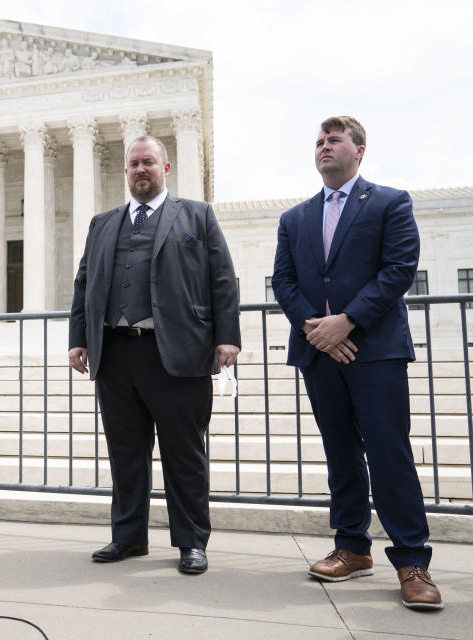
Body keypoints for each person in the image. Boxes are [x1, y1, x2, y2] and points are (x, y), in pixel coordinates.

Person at [271, 116, 442, 610]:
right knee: (340, 452)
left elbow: (398, 270)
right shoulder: (296, 218)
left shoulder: (390, 202)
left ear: (359, 151)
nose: (324, 146)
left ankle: (412, 561)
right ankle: (351, 547)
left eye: (335, 139)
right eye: (319, 141)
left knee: (389, 453)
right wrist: (316, 330)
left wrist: (347, 322)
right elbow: (283, 282)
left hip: (375, 349)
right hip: (319, 353)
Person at [68, 136, 240, 574]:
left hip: (177, 352)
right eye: (133, 164)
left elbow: (222, 279)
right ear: (125, 171)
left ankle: (191, 542)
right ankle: (127, 538)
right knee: (126, 454)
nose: (140, 170)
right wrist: (79, 338)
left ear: (165, 169)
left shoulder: (196, 216)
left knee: (184, 454)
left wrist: (228, 337)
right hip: (115, 353)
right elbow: (84, 284)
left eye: (148, 162)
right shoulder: (102, 223)